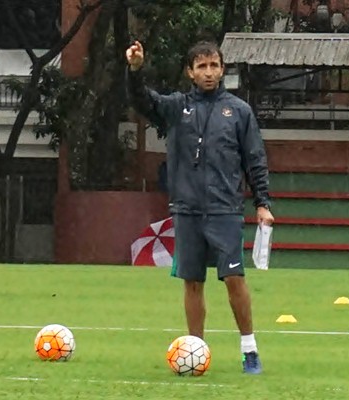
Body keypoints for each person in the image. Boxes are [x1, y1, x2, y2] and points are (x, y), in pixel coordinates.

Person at [125, 40, 274, 374]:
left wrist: (262, 202)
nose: (209, 72)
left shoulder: (238, 111)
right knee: (192, 282)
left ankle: (249, 349)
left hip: (225, 210)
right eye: (202, 67)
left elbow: (255, 160)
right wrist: (134, 70)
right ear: (190, 72)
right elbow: (141, 100)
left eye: (214, 66)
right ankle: (196, 350)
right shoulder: (177, 107)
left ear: (222, 69)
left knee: (234, 278)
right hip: (187, 209)